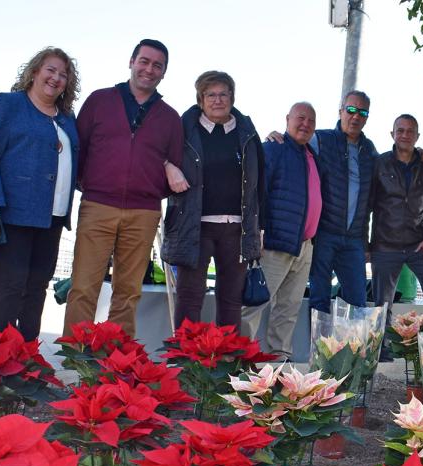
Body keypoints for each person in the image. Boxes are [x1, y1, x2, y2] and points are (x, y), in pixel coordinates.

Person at [63, 39, 186, 336]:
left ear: (164, 72)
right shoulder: (99, 100)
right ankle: (75, 355)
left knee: (128, 292)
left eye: (157, 65)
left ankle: (116, 361)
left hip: (143, 212)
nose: (149, 69)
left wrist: (149, 189)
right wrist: (94, 186)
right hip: (98, 206)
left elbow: (175, 162)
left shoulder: (170, 117)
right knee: (83, 286)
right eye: (144, 61)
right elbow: (79, 150)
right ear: (131, 62)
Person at [0, 47, 79, 341]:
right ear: (34, 72)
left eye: (63, 74)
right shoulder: (9, 105)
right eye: (50, 70)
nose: (56, 78)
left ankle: (27, 359)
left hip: (53, 217)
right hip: (12, 214)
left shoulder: (67, 118)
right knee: (10, 289)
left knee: (37, 289)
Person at [162, 70, 263, 328]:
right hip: (194, 226)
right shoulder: (182, 130)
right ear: (200, 99)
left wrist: (258, 228)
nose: (217, 100)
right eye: (211, 95)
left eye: (223, 94)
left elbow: (260, 181)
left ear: (232, 97)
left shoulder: (247, 133)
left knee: (230, 299)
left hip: (236, 229)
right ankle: (186, 359)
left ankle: (226, 362)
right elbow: (159, 158)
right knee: (189, 296)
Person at [244, 102, 321, 359]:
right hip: (275, 242)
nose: (305, 124)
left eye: (311, 120)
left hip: (304, 245)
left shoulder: (312, 155)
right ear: (287, 119)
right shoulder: (274, 148)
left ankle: (279, 363)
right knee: (255, 304)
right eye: (300, 118)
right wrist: (259, 231)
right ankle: (239, 362)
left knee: (288, 309)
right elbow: (256, 192)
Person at [368, 114, 423, 318]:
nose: (405, 135)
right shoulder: (379, 164)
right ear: (392, 134)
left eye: (410, 131)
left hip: (419, 245)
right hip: (384, 245)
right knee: (382, 307)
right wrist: (365, 245)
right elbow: (366, 207)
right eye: (400, 130)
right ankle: (383, 350)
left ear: (417, 135)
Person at [308, 91, 379, 311]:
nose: (356, 116)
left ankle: (350, 347)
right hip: (324, 235)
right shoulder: (320, 139)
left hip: (354, 240)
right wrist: (276, 136)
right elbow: (293, 146)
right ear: (340, 111)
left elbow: (372, 200)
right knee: (319, 299)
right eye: (351, 110)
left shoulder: (370, 151)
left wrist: (420, 155)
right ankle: (319, 347)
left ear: (367, 117)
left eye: (362, 112)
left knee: (357, 302)